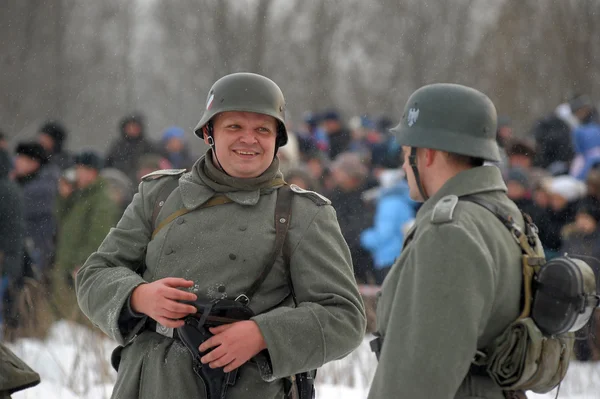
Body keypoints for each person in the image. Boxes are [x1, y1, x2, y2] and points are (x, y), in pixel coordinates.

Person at [76, 72, 366, 399]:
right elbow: (94, 275)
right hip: (148, 384)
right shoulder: (159, 194)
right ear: (209, 133)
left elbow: (345, 318)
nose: (249, 139)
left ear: (277, 139)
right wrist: (139, 297)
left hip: (244, 387)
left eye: (262, 129)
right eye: (234, 127)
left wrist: (263, 335)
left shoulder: (303, 213)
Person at [368, 84, 527, 398]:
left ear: (426, 154)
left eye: (404, 153)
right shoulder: (503, 216)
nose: (402, 166)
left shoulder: (449, 232)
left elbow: (418, 378)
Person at [53, 151, 120, 321]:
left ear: (93, 172)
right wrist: (64, 197)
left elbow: (99, 237)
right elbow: (62, 221)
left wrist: (83, 263)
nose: (77, 173)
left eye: (81, 169)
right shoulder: (81, 195)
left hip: (80, 268)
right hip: (68, 264)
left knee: (78, 320)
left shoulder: (101, 198)